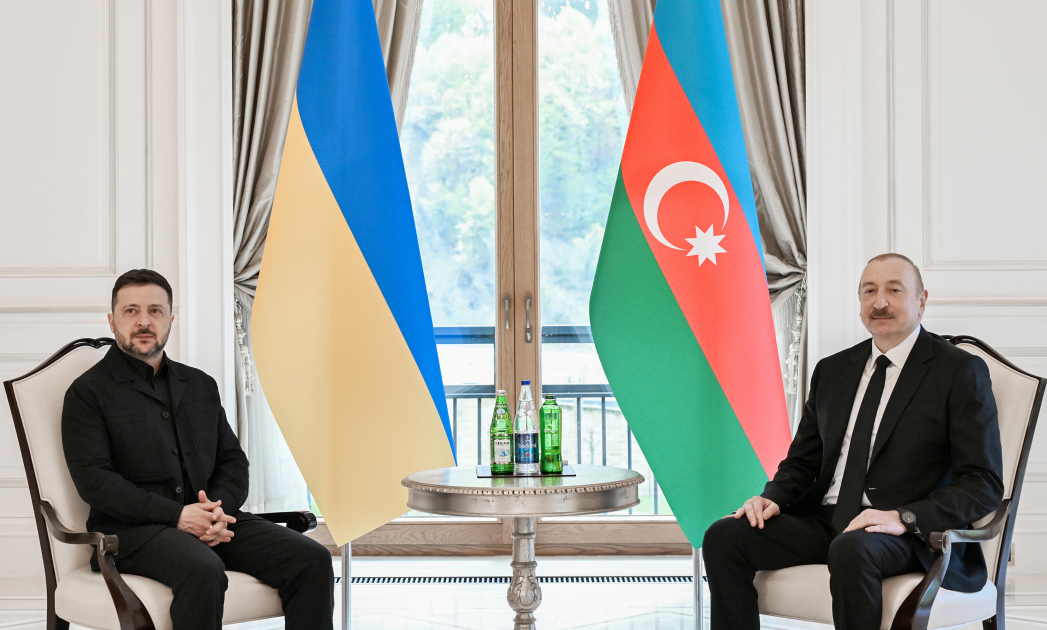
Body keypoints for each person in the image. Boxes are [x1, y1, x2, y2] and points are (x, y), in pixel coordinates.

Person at [702, 253, 1003, 630]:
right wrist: (773, 498)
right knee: (724, 536)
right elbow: (803, 462)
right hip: (826, 520)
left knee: (852, 548)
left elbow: (983, 483)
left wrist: (903, 517)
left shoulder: (958, 371)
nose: (880, 302)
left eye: (895, 290)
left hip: (904, 532)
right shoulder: (832, 370)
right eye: (869, 291)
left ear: (921, 300)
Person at [62, 269, 334, 630]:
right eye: (131, 311)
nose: (144, 321)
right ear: (112, 321)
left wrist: (217, 511)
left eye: (155, 311)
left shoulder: (200, 384)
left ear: (170, 320)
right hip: (131, 534)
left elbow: (232, 461)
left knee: (312, 559)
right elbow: (96, 483)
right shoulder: (86, 393)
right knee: (203, 569)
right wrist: (178, 516)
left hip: (211, 519)